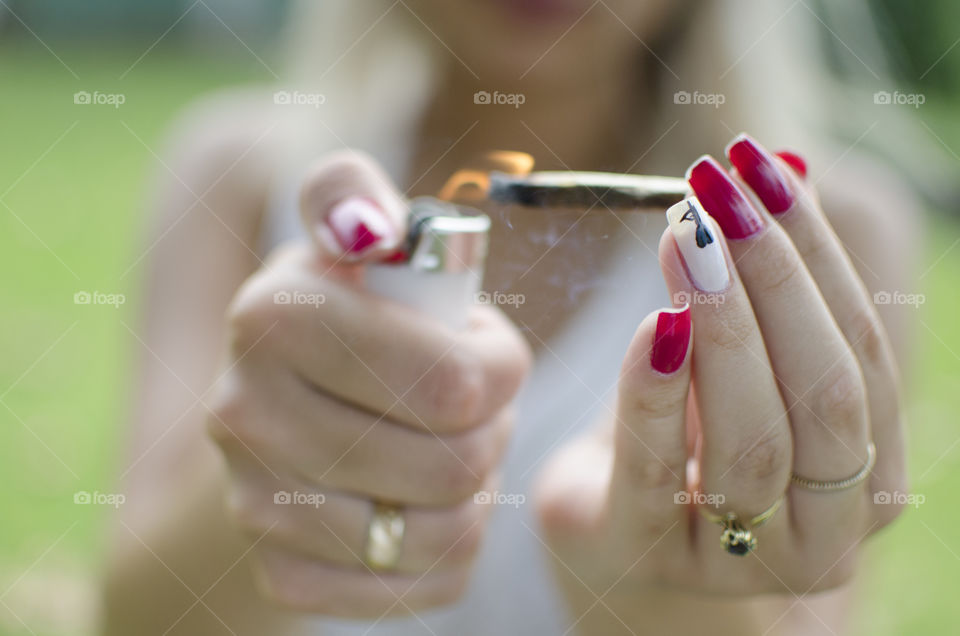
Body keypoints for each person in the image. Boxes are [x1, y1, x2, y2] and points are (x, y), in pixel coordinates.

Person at [101, 0, 921, 633]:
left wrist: (654, 584)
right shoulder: (239, 176)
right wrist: (279, 478)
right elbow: (136, 617)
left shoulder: (832, 229)